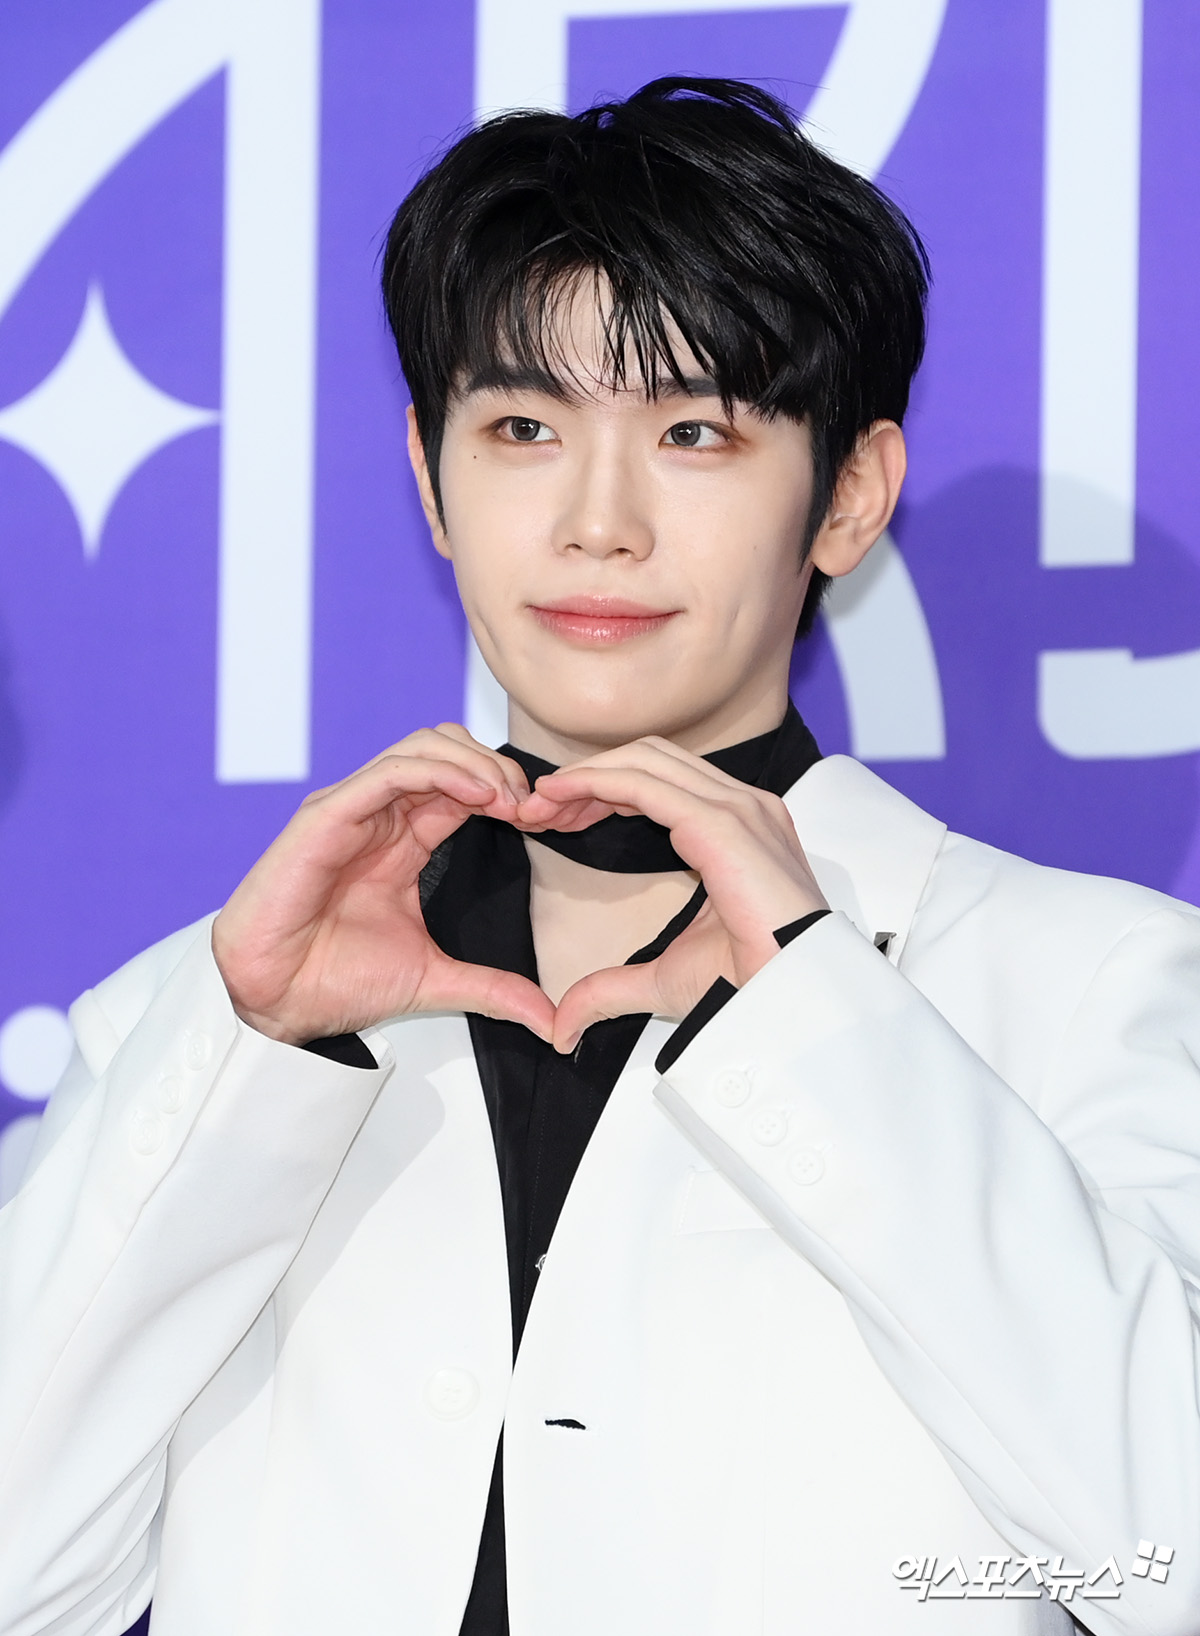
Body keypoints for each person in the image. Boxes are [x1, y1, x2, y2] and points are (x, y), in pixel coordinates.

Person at [2, 76, 1198, 1636]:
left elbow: (1170, 1555)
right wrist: (246, 1053)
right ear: (431, 480)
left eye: (694, 431)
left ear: (848, 496)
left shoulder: (1088, 985)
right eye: (522, 428)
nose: (597, 521)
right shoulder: (207, 1017)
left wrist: (827, 1019)